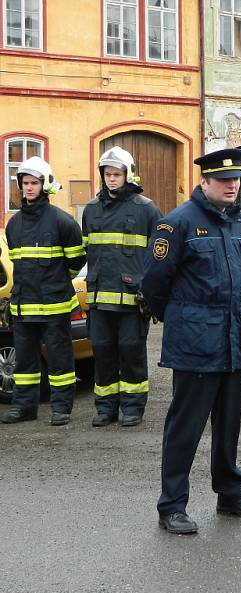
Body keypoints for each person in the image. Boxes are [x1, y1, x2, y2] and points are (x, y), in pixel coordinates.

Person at [141, 148, 241, 535]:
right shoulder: (176, 224)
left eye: (236, 180)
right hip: (195, 339)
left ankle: (229, 492)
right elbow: (154, 284)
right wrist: (182, 318)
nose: (232, 186)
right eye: (223, 180)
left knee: (229, 424)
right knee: (186, 426)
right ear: (204, 182)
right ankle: (172, 505)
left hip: (233, 335)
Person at [0, 157, 86, 426]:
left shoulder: (63, 222)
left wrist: (58, 283)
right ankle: (24, 407)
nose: (28, 188)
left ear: (45, 185)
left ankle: (61, 409)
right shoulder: (14, 225)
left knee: (60, 362)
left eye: (34, 183)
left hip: (55, 307)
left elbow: (76, 263)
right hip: (24, 307)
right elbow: (18, 264)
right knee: (25, 364)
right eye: (25, 183)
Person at [83, 146, 162, 427]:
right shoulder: (91, 210)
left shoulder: (146, 209)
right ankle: (105, 408)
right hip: (100, 301)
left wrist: (151, 294)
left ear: (128, 175)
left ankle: (132, 408)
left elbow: (159, 256)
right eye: (107, 174)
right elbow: (86, 254)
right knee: (103, 353)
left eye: (117, 174)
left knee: (131, 353)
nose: (112, 179)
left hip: (132, 301)